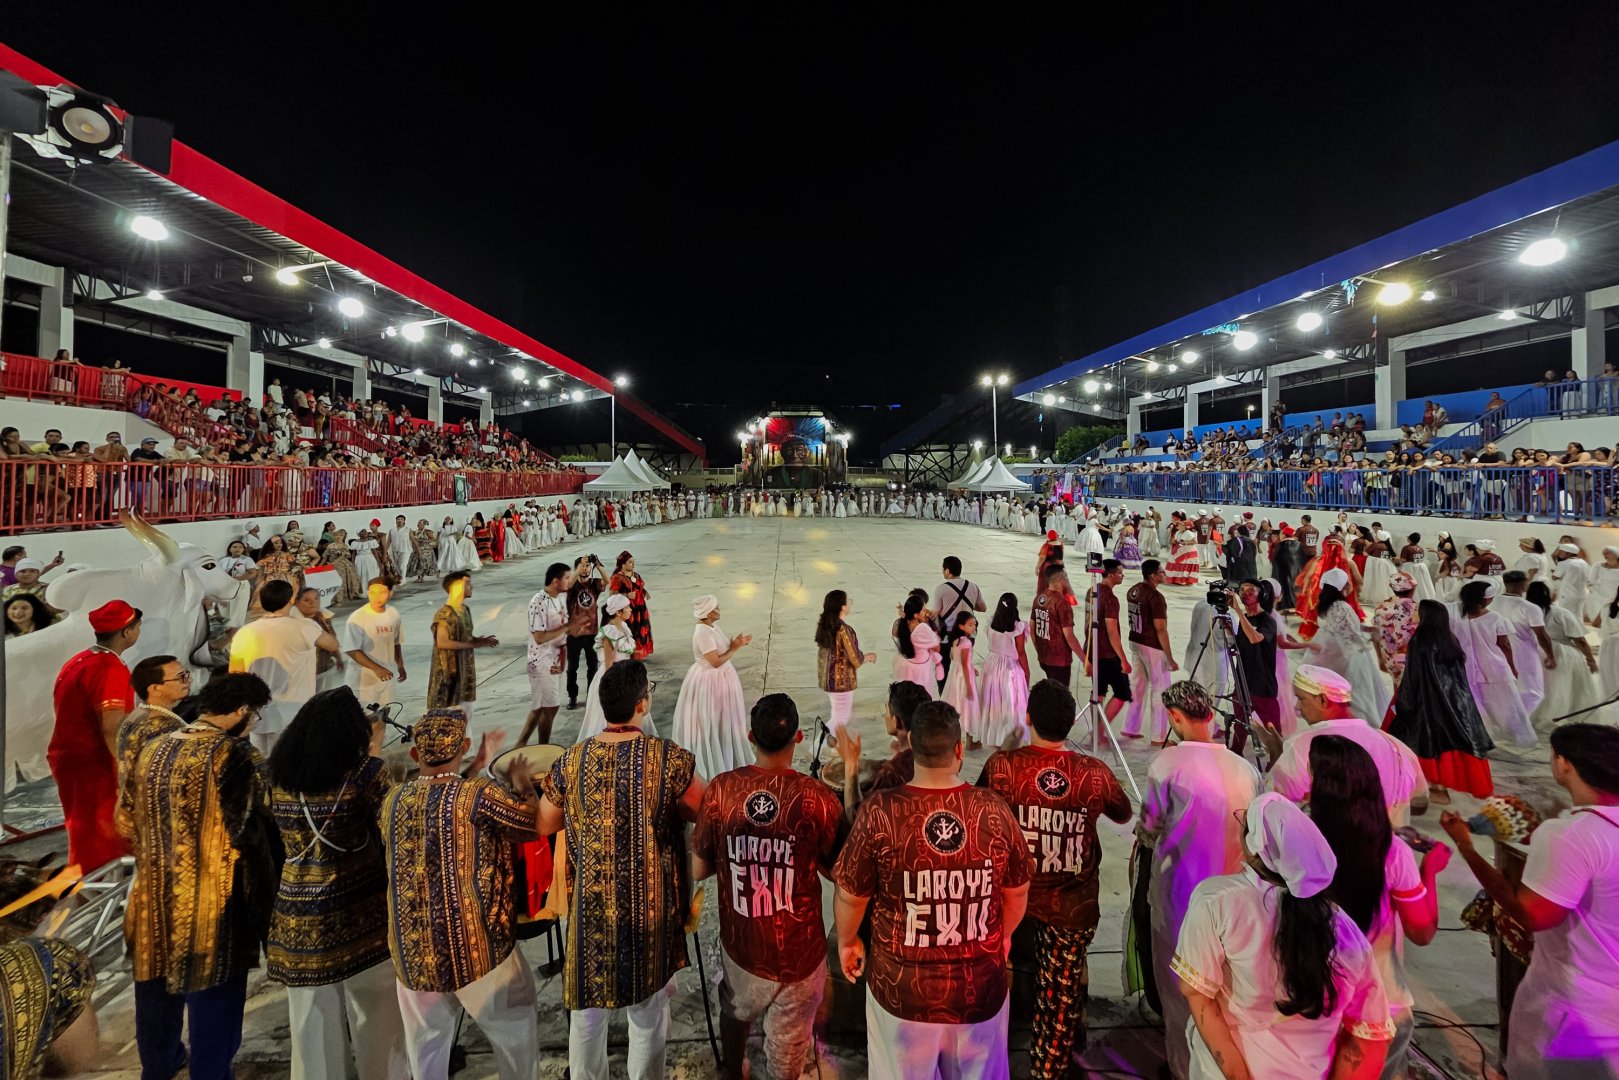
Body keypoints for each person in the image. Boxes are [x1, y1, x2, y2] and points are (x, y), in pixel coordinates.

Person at [833, 701, 1033, 1080]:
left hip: (902, 992)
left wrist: (847, 942)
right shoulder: (991, 808)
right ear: (959, 751)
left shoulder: (881, 811)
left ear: (913, 751)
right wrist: (1002, 937)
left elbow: (850, 894)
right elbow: (1018, 890)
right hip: (979, 989)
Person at [538, 661, 704, 1080]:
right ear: (642, 705)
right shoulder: (667, 759)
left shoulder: (571, 761)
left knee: (587, 1016)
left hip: (590, 914)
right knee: (648, 1017)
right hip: (647, 913)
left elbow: (546, 823)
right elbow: (704, 809)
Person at [119, 673, 282, 1080]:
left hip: (153, 893)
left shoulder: (154, 748)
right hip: (212, 903)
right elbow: (262, 825)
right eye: (256, 715)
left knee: (154, 988)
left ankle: (158, 1068)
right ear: (243, 711)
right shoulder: (237, 757)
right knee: (215, 1003)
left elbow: (125, 818)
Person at [1173, 792, 1395, 1079]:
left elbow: (1197, 995)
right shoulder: (1346, 931)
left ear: (1253, 849)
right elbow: (1370, 1035)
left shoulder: (1216, 901)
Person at [1439, 723, 1619, 1077]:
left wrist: (1465, 847)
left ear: (1563, 765)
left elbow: (1530, 916)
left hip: (1576, 1004)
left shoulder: (1570, 835)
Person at [691, 693, 852, 1080]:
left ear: (750, 736)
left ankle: (733, 1070)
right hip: (799, 950)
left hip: (743, 944)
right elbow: (842, 873)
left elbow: (699, 869)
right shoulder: (816, 798)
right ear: (798, 738)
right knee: (790, 1038)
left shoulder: (722, 791)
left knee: (734, 1012)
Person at [979, 679, 1131, 1076]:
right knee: (1059, 997)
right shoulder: (1092, 774)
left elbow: (978, 810)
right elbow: (1123, 813)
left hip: (1010, 900)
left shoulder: (1003, 767)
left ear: (1027, 718)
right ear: (1069, 726)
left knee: (990, 981)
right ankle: (1048, 1068)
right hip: (1070, 905)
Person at [381, 708, 541, 1080]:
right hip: (476, 948)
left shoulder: (393, 801)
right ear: (464, 746)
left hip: (413, 953)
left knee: (427, 1049)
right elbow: (530, 825)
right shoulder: (478, 795)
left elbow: (439, 792)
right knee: (516, 1034)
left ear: (416, 755)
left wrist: (476, 765)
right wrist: (523, 785)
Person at [267, 689, 407, 1080]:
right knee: (379, 1020)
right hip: (360, 912)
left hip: (297, 918)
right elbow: (392, 823)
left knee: (311, 1028)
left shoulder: (278, 776)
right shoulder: (364, 773)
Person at [1138, 681, 1261, 1080]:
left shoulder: (1167, 765)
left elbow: (1149, 827)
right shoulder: (1245, 769)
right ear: (1210, 715)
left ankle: (1182, 1067)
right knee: (1226, 989)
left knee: (1181, 990)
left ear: (1175, 718)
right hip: (1237, 898)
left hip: (1180, 897)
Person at [1308, 735, 1448, 1079]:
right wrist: (1429, 872)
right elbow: (1422, 931)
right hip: (1381, 1001)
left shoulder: (1303, 840)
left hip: (1317, 999)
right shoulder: (1391, 851)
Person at [1257, 664, 1428, 825]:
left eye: (1301, 699)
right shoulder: (1395, 746)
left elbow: (1273, 801)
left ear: (1323, 700)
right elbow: (1421, 804)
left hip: (1334, 850)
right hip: (1389, 850)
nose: (1298, 707)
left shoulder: (1305, 745)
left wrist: (1275, 753)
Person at [50, 599, 142, 872]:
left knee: (83, 825)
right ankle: (100, 888)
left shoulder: (81, 659)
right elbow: (111, 725)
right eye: (137, 627)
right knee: (101, 830)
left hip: (71, 756)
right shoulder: (107, 668)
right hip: (95, 761)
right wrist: (125, 768)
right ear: (127, 632)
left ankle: (90, 879)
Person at [1386, 599, 1496, 802]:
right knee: (1446, 741)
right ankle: (1438, 787)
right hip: (1453, 701)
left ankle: (1427, 787)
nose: (1414, 613)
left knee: (1420, 742)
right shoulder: (1449, 639)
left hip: (1425, 701)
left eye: (1419, 610)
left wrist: (1404, 703)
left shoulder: (1420, 640)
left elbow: (1414, 676)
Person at [229, 579, 341, 754]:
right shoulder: (303, 627)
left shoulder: (245, 632)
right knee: (287, 765)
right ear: (291, 601)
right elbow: (332, 644)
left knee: (262, 764)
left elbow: (234, 674)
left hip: (257, 715)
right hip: (293, 712)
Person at [672, 594, 753, 781]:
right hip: (711, 683)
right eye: (716, 608)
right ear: (709, 613)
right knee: (713, 719)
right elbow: (715, 662)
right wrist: (735, 647)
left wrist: (735, 643)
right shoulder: (703, 634)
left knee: (723, 720)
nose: (719, 610)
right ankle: (715, 757)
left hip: (720, 680)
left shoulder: (711, 627)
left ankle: (723, 750)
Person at [1452, 579, 1536, 747]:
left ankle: (1483, 735)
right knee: (1507, 701)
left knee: (1477, 703)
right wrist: (1512, 667)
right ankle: (1519, 737)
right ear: (1485, 599)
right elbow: (1504, 646)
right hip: (1494, 667)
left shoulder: (1457, 617)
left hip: (1466, 666)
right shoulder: (1496, 618)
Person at [1302, 567, 1390, 726]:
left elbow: (1341, 626)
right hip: (1347, 656)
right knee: (1358, 694)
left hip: (1329, 650)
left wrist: (1363, 628)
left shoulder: (1326, 604)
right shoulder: (1342, 607)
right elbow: (1350, 636)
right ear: (1342, 586)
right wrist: (1371, 635)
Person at [1526, 579, 1606, 728]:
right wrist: (1591, 659)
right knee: (1563, 688)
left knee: (1541, 686)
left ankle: (1535, 716)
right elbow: (1579, 640)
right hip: (1561, 652)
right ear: (1550, 596)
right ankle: (1560, 717)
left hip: (1534, 652)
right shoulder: (1560, 613)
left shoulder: (1526, 611)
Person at [426, 571, 498, 719]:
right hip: (448, 679)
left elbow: (465, 637)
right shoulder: (444, 614)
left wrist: (480, 641)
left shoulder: (465, 610)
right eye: (467, 584)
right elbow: (442, 642)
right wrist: (472, 645)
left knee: (466, 721)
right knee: (450, 724)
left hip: (465, 676)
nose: (471, 587)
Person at [117, 655, 191, 797]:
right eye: (181, 677)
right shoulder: (160, 726)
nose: (188, 681)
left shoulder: (138, 714)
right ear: (155, 689)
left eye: (187, 674)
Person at [520, 562, 574, 745]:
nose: (569, 581)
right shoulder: (538, 603)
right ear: (555, 581)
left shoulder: (558, 598)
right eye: (567, 577)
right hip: (542, 662)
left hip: (556, 660)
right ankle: (543, 747)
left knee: (540, 707)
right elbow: (539, 637)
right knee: (549, 707)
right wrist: (567, 627)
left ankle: (521, 743)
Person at [814, 589, 879, 740]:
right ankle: (816, 749)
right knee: (839, 719)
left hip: (828, 680)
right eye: (848, 601)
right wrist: (868, 657)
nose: (850, 604)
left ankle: (832, 749)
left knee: (839, 717)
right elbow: (855, 659)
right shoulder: (843, 630)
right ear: (842, 607)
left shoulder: (826, 626)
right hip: (841, 682)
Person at [1123, 560, 1176, 741]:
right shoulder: (1155, 597)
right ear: (1153, 575)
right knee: (1160, 689)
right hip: (1151, 645)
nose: (1164, 575)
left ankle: (1130, 726)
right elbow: (1160, 628)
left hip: (1135, 639)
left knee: (1137, 686)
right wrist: (1169, 656)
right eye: (1162, 572)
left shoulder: (1134, 590)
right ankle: (1158, 736)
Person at [575, 593, 636, 742]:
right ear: (618, 612)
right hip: (614, 675)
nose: (630, 610)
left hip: (624, 672)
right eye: (627, 607)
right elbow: (609, 663)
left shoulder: (624, 627)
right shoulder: (610, 632)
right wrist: (612, 685)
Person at [980, 592, 1032, 747]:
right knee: (1011, 704)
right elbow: (1021, 652)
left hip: (992, 664)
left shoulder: (991, 624)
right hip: (1009, 668)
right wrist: (1026, 673)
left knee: (994, 702)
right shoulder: (1017, 628)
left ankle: (994, 736)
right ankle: (1010, 737)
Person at [343, 579, 405, 708]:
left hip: (387, 676)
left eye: (382, 592)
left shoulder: (393, 613)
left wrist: (400, 664)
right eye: (373, 592)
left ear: (391, 593)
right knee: (365, 719)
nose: (377, 596)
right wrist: (377, 669)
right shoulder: (357, 618)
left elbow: (396, 642)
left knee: (383, 716)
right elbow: (352, 650)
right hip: (364, 681)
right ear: (368, 593)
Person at [867, 680, 933, 794]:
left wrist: (850, 766)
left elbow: (860, 809)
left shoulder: (891, 775)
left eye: (887, 712)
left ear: (896, 721)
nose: (885, 716)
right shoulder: (939, 755)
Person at [932, 556, 986, 686]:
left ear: (947, 570)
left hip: (947, 637)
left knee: (943, 669)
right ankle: (962, 693)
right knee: (963, 666)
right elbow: (982, 608)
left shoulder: (941, 589)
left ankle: (945, 697)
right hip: (967, 636)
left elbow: (936, 613)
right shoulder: (973, 586)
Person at [565, 554, 608, 709]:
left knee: (593, 667)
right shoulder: (572, 585)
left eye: (587, 566)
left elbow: (607, 581)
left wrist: (597, 564)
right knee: (572, 668)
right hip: (574, 634)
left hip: (591, 633)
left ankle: (591, 694)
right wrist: (579, 566)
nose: (585, 569)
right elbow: (569, 584)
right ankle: (572, 696)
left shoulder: (594, 584)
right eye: (582, 566)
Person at [1032, 565, 1084, 688]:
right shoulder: (1061, 603)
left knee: (1052, 691)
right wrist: (1084, 659)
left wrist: (1039, 650)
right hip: (1059, 660)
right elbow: (1069, 636)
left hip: (1044, 657)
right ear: (1060, 578)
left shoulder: (1039, 598)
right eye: (1066, 576)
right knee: (1060, 696)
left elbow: (1032, 627)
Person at [940, 612, 983, 746]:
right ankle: (969, 740)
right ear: (961, 626)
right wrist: (969, 686)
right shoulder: (966, 643)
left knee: (956, 702)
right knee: (968, 706)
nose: (973, 627)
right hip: (964, 675)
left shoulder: (955, 641)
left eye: (974, 624)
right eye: (970, 625)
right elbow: (964, 664)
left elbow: (955, 659)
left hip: (955, 674)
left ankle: (955, 738)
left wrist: (971, 667)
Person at [894, 592, 942, 697]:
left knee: (908, 696)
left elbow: (894, 634)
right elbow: (936, 647)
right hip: (920, 669)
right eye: (923, 610)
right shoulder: (922, 628)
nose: (925, 612)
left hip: (907, 666)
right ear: (916, 615)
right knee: (920, 695)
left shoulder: (902, 623)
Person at [609, 551, 654, 659]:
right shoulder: (618, 577)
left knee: (641, 631)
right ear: (623, 564)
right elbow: (611, 593)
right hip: (628, 610)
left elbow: (639, 586)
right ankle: (629, 653)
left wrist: (645, 591)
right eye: (630, 562)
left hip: (641, 609)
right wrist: (627, 595)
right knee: (631, 631)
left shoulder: (636, 575)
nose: (633, 564)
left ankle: (639, 653)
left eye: (633, 562)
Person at [1553, 541, 1591, 621]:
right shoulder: (1583, 562)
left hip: (1568, 595)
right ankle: (1579, 633)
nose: (1559, 554)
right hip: (1581, 594)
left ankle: (1566, 632)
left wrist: (1554, 573)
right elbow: (1589, 576)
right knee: (1578, 616)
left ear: (1568, 553)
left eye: (1561, 552)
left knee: (1565, 615)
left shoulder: (1564, 563)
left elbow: (1554, 577)